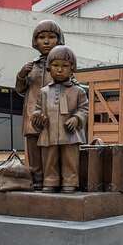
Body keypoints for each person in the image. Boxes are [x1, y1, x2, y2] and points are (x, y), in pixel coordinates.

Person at [15, 20, 64, 191]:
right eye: (41, 37)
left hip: (53, 116)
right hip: (31, 115)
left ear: (59, 40)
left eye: (51, 37)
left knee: (52, 151)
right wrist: (21, 75)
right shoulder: (32, 66)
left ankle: (52, 181)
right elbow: (20, 90)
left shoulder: (62, 65)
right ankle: (36, 181)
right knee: (34, 151)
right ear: (35, 41)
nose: (46, 41)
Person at [31, 45, 88, 193]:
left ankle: (70, 181)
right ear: (49, 67)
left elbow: (84, 109)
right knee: (49, 160)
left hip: (70, 134)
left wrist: (77, 118)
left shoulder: (78, 91)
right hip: (49, 132)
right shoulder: (43, 92)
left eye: (65, 66)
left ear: (72, 68)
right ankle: (50, 181)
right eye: (55, 65)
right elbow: (37, 109)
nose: (60, 69)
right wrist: (37, 117)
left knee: (70, 159)